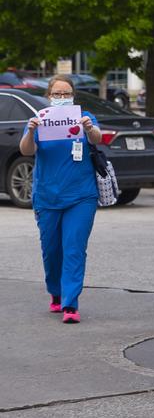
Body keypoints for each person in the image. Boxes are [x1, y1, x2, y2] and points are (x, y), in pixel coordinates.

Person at [20, 75, 102, 324]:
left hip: (81, 195)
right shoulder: (41, 119)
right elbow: (26, 150)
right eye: (57, 94)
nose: (62, 98)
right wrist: (32, 130)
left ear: (73, 96)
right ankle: (56, 292)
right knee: (52, 250)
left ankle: (70, 303)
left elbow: (97, 138)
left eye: (66, 94)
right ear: (49, 96)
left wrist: (89, 128)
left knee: (74, 248)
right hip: (47, 196)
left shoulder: (83, 117)